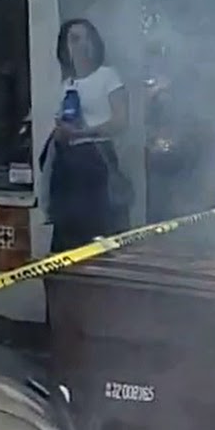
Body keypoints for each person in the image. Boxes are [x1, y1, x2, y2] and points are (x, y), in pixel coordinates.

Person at [45, 17, 129, 253]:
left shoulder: (108, 76)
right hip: (67, 164)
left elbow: (121, 121)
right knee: (67, 232)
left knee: (97, 228)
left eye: (85, 38)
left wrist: (84, 132)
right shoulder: (66, 83)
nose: (80, 45)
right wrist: (62, 132)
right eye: (73, 39)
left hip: (95, 159)